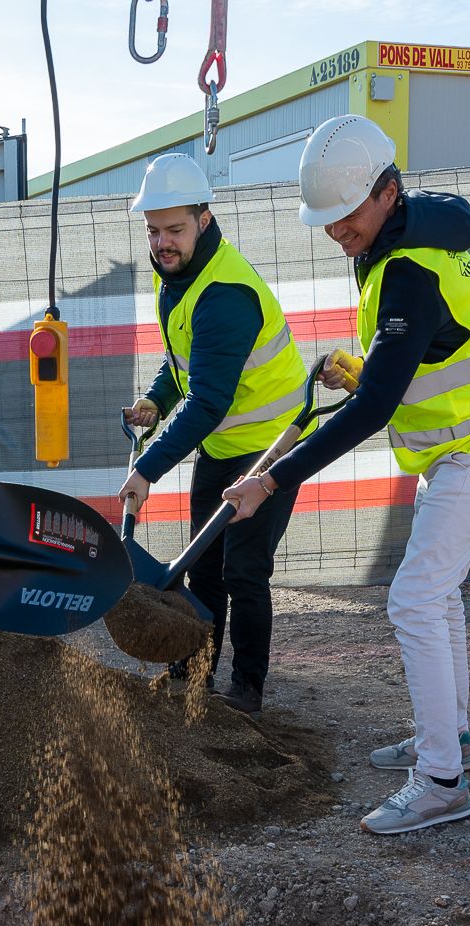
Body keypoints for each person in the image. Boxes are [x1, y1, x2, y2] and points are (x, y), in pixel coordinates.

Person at [222, 116, 470, 836]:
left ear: (388, 192)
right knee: (438, 594)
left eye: (346, 216)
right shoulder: (394, 238)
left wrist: (271, 481)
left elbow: (373, 412)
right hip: (459, 443)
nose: (336, 231)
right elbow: (418, 361)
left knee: (412, 599)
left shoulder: (408, 268)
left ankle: (439, 782)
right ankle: (449, 741)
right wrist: (363, 367)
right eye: (327, 220)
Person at [117, 154, 311, 715]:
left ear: (205, 219)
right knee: (201, 567)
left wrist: (147, 468)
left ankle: (246, 690)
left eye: (174, 229)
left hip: (271, 445)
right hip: (224, 445)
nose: (162, 243)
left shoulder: (225, 292)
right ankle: (193, 671)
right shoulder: (179, 279)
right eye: (153, 231)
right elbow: (186, 367)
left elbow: (207, 400)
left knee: (243, 570)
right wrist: (156, 400)